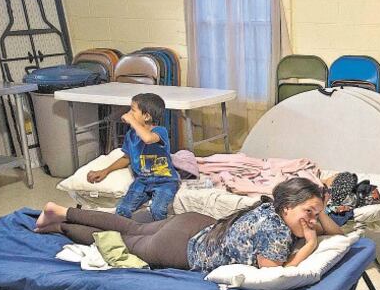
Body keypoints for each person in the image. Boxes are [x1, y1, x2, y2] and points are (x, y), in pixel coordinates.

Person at [33, 177, 342, 272]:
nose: (313, 220)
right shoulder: (276, 231)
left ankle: (59, 210)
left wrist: (318, 205)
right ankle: (60, 227)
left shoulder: (272, 208)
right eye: (308, 212)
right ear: (287, 207)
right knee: (119, 239)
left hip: (193, 225)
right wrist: (310, 245)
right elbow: (274, 274)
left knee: (131, 226)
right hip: (179, 248)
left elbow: (337, 232)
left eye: (316, 214)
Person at [87, 93, 180, 220]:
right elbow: (127, 158)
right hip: (142, 181)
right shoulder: (130, 135)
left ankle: (161, 231)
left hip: (165, 181)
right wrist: (105, 171)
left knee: (157, 210)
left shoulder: (160, 131)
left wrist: (131, 120)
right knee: (122, 210)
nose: (129, 113)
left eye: (133, 110)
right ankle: (125, 230)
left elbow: (148, 139)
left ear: (146, 116)